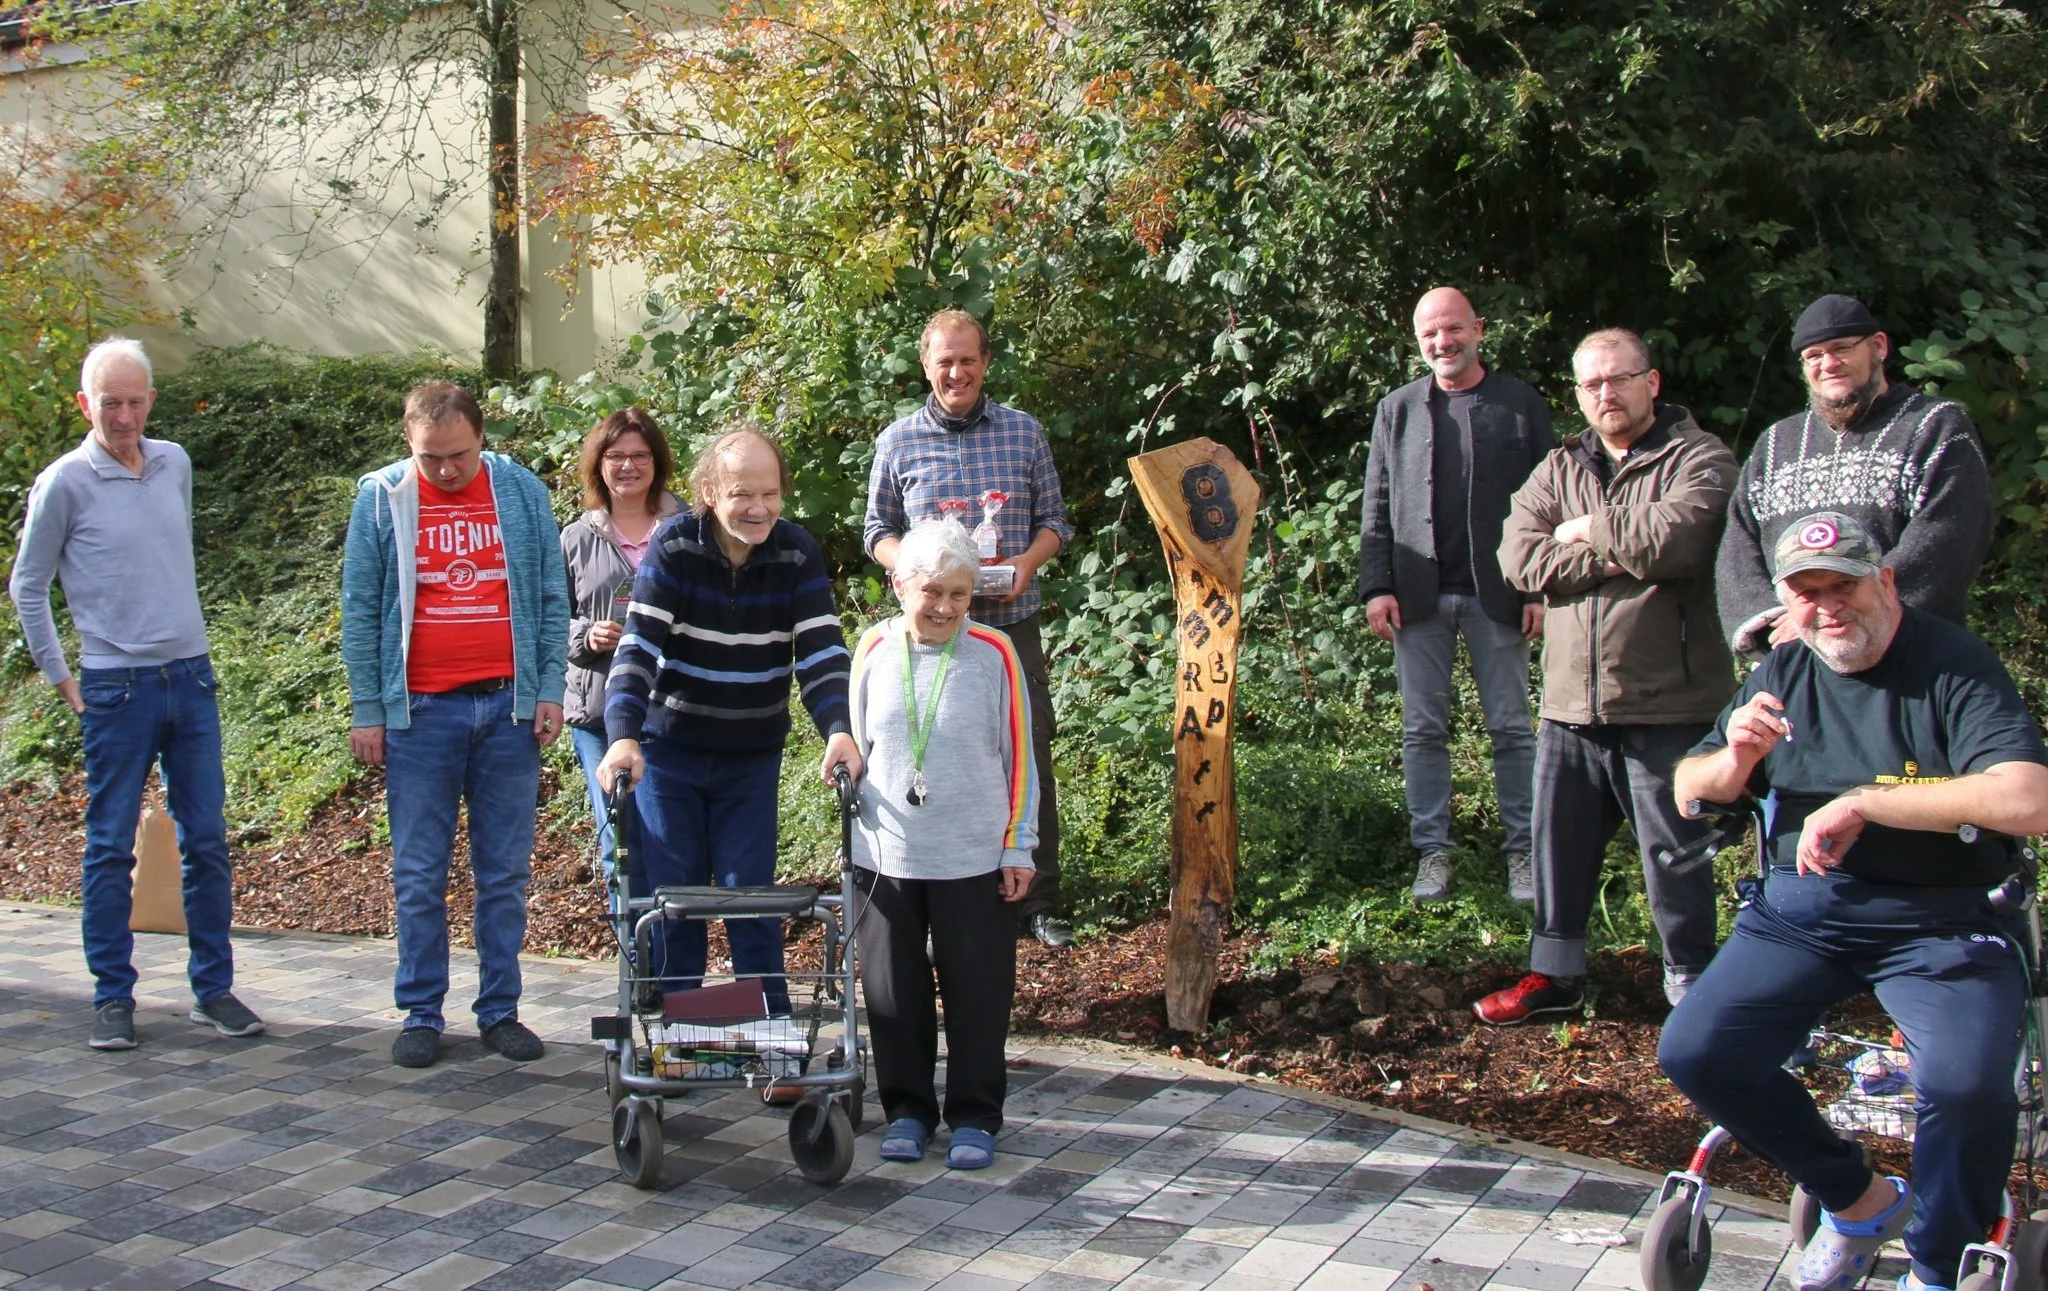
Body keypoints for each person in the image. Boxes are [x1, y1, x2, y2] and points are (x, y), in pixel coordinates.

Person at [1663, 512, 2048, 1291]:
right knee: (1697, 1049)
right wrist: (1734, 756)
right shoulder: (1783, 669)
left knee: (1968, 1087)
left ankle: (1939, 1265)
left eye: (1846, 585)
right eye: (1808, 593)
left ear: (1888, 581)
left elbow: (2029, 798)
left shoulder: (1952, 664)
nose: (1829, 606)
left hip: (1945, 919)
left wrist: (1869, 802)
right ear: (1785, 603)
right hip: (1805, 912)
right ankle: (1858, 1198)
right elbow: (1687, 788)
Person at [1473, 328, 1738, 1025]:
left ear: (1651, 381)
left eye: (1620, 378)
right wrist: (1618, 550)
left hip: (1666, 703)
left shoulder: (1700, 456)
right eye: (1592, 383)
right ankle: (1554, 980)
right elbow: (1518, 557)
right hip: (1569, 704)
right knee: (1557, 851)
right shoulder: (1561, 465)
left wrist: (1584, 528)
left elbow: (1683, 536)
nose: (1606, 393)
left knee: (1674, 861)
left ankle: (1694, 993)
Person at [8, 337, 264, 1051]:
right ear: (86, 404)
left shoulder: (173, 462)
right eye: (109, 402)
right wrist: (62, 675)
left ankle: (213, 989)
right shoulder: (64, 482)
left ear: (152, 399)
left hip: (191, 676)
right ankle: (111, 996)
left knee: (207, 838)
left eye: (134, 400)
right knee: (109, 845)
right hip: (115, 687)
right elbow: (28, 585)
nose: (123, 415)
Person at [342, 380, 567, 1069]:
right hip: (420, 714)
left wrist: (549, 687)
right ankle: (420, 1011)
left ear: (482, 438)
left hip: (506, 709)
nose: (444, 470)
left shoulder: (521, 492)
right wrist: (367, 707)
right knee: (418, 871)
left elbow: (551, 596)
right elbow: (360, 605)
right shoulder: (382, 497)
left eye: (458, 456)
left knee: (503, 872)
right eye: (430, 457)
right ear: (408, 443)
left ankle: (499, 1009)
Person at [597, 428, 862, 1017]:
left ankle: (768, 1032)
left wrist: (839, 728)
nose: (760, 508)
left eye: (771, 494)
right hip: (671, 753)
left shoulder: (796, 552)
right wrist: (622, 738)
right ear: (710, 491)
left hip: (751, 755)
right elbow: (638, 649)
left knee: (753, 900)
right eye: (744, 494)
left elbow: (820, 651)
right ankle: (679, 1036)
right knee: (675, 901)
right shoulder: (675, 546)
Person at [864, 309, 1074, 948]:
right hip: (928, 636)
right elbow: (878, 533)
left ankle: (1037, 897)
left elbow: (1055, 523)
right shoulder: (898, 442)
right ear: (926, 366)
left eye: (968, 359)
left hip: (1009, 623)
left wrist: (1025, 565)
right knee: (924, 756)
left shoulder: (1023, 434)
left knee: (1027, 752)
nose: (957, 372)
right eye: (944, 361)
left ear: (985, 363)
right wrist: (920, 576)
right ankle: (931, 893)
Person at [847, 519, 1037, 1171]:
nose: (945, 607)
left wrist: (1020, 844)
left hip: (974, 853)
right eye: (932, 592)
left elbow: (1023, 758)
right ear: (900, 585)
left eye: (959, 594)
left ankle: (975, 1114)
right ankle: (906, 1109)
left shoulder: (994, 652)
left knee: (977, 989)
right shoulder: (872, 647)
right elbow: (852, 744)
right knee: (893, 991)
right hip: (885, 854)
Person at [1358, 286, 1551, 904]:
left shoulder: (1520, 405)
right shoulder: (1399, 409)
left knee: (1513, 729)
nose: (1443, 343)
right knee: (1422, 731)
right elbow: (1377, 505)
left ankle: (1524, 853)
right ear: (1419, 342)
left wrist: (1543, 587)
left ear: (1479, 329)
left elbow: (1553, 502)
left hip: (1503, 595)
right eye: (1430, 335)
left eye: (1453, 330)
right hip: (1417, 598)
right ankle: (1433, 852)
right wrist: (1377, 585)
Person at [1716, 293, 1990, 656]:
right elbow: (1738, 547)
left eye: (1841, 348)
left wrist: (1839, 618)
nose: (1828, 363)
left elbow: (1949, 539)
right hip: (1797, 666)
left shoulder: (1935, 427)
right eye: (1813, 356)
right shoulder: (1776, 444)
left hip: (1911, 660)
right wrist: (1775, 623)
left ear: (1878, 346)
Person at [560, 408, 682, 881]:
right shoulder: (575, 537)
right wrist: (586, 636)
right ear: (599, 463)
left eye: (639, 456)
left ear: (657, 462)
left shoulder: (686, 529)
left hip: (670, 708)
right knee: (618, 838)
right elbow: (551, 619)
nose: (628, 466)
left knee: (668, 838)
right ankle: (632, 952)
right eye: (615, 456)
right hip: (598, 712)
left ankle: (667, 951)